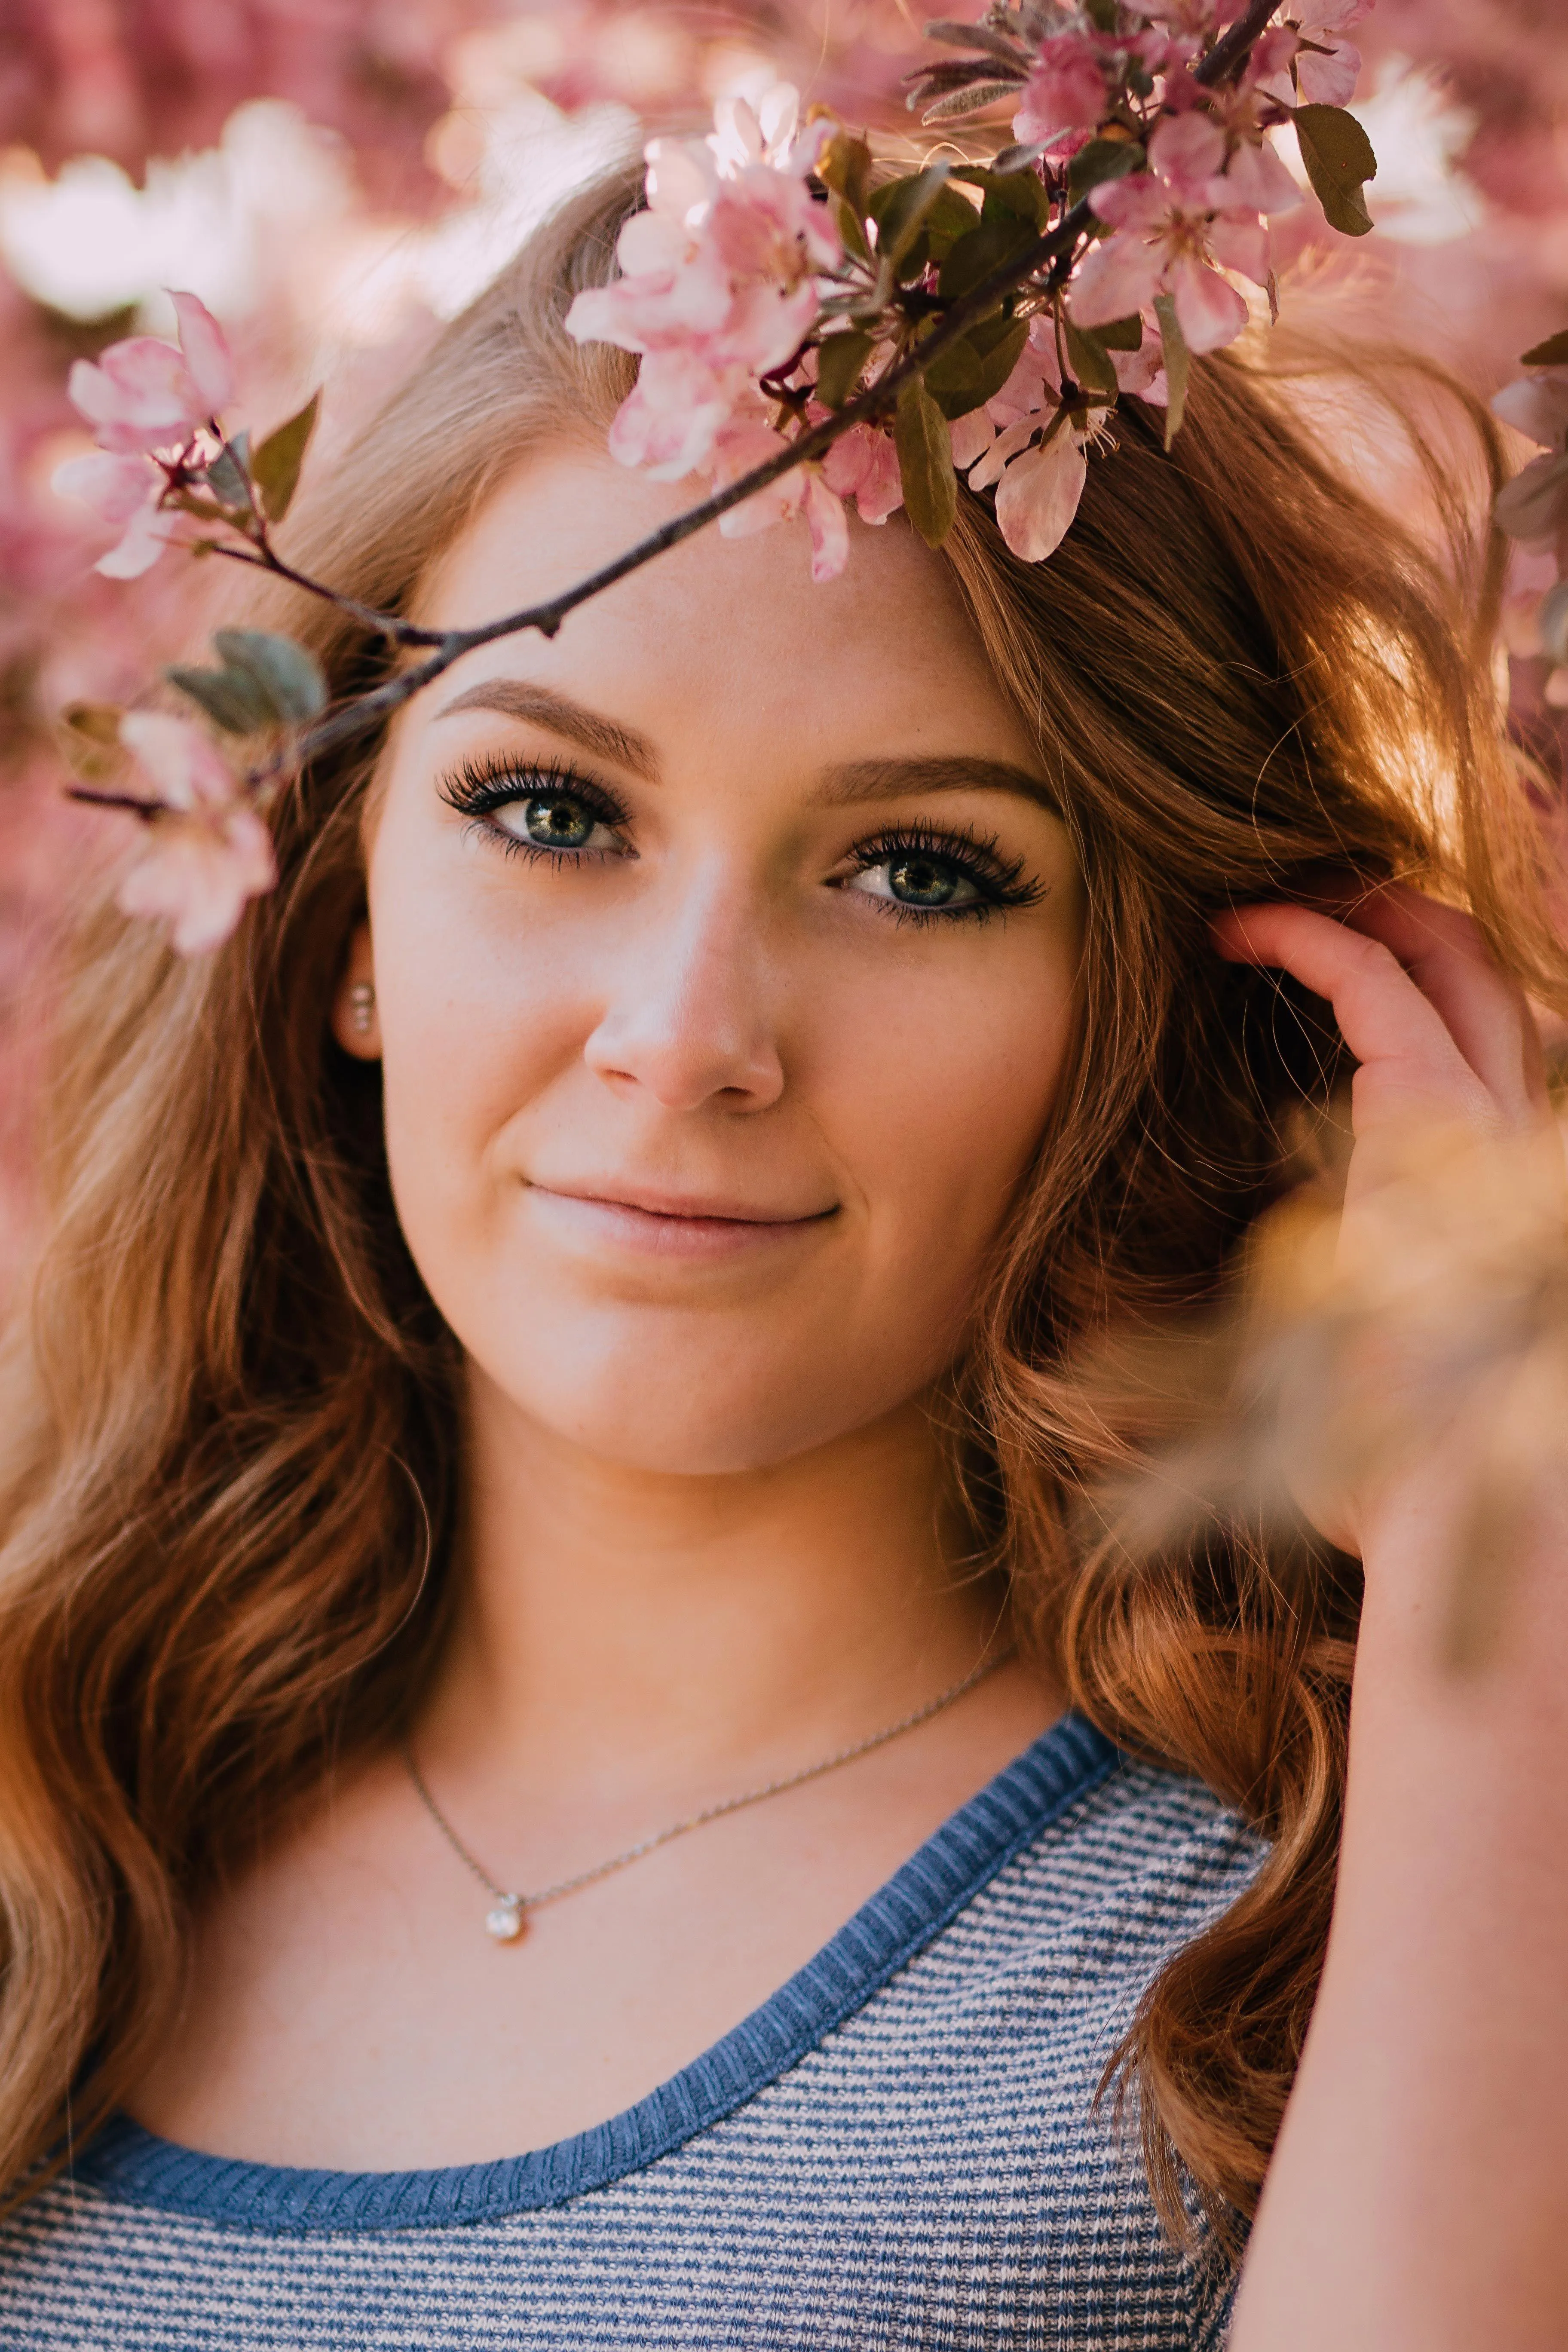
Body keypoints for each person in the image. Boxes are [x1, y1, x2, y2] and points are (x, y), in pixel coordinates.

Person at [0, 163, 1563, 2351]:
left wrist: (1499, 1530)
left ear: (1159, 992)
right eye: (551, 813)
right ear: (343, 916)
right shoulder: (59, 1821)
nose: (687, 1037)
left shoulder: (1320, 1967)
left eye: (923, 870)